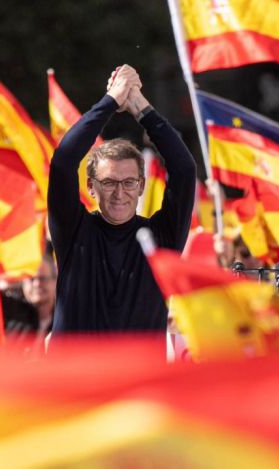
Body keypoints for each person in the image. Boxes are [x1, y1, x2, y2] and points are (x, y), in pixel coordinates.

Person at [47, 65, 196, 334]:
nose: (119, 192)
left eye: (128, 183)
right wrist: (111, 100)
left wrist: (141, 108)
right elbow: (63, 161)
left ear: (141, 186)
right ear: (91, 187)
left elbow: (184, 169)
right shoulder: (74, 230)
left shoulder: (161, 237)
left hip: (142, 375)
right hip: (74, 375)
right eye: (108, 182)